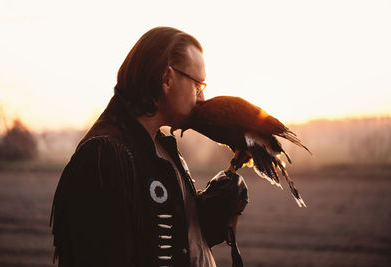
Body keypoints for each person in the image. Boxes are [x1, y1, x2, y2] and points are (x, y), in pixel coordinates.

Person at [50, 26, 248, 267]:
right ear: (166, 78)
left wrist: (205, 219)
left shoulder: (161, 147)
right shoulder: (105, 157)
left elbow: (162, 242)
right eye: (198, 85)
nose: (202, 98)